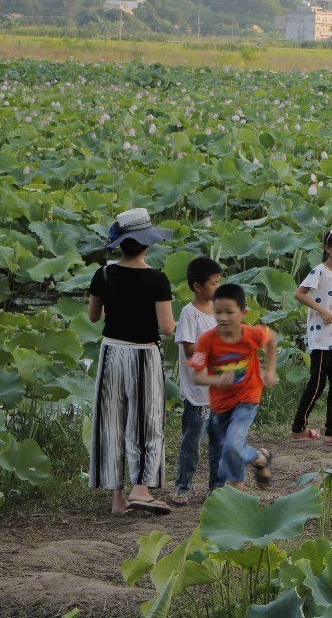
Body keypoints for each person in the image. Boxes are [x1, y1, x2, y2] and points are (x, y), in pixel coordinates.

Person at [88, 208, 175, 516]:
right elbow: (166, 328)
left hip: (111, 352)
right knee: (146, 419)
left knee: (111, 420)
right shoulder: (157, 279)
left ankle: (117, 499)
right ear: (147, 243)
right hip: (143, 353)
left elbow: (93, 316)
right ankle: (141, 489)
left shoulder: (104, 273)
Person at [189, 284, 277, 492]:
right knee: (231, 447)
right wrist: (217, 381)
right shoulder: (206, 341)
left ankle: (238, 492)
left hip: (248, 397)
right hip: (220, 404)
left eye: (229, 312)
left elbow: (271, 338)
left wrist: (270, 370)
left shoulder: (251, 334)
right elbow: (197, 376)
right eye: (218, 312)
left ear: (243, 313)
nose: (223, 318)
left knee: (231, 446)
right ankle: (260, 458)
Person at [290, 227, 332, 450]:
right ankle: (299, 428)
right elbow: (299, 293)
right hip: (321, 338)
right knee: (317, 385)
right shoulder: (319, 271)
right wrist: (320, 309)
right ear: (328, 248)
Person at [174, 256, 222, 505]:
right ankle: (183, 486)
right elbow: (191, 350)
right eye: (213, 283)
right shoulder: (189, 314)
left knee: (219, 443)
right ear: (197, 286)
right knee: (192, 442)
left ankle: (217, 487)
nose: (217, 288)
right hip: (198, 392)